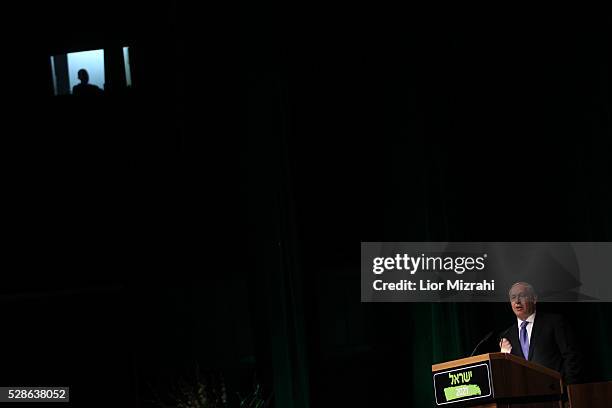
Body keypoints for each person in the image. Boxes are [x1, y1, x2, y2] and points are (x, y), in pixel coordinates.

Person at [499, 282, 583, 384]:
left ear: (534, 299)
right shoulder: (507, 336)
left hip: (557, 393)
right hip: (526, 396)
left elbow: (571, 357)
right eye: (513, 297)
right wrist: (504, 357)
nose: (517, 301)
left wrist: (568, 389)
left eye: (522, 296)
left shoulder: (554, 322)